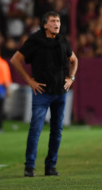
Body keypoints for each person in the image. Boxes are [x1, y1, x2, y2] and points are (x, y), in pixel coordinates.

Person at [10, 11, 78, 177]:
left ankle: (50, 166)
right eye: (53, 21)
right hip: (42, 93)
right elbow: (15, 59)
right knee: (36, 129)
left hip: (61, 92)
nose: (57, 24)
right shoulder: (35, 40)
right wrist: (29, 81)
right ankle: (29, 167)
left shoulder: (62, 40)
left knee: (57, 131)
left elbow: (74, 60)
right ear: (45, 24)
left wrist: (71, 78)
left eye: (58, 21)